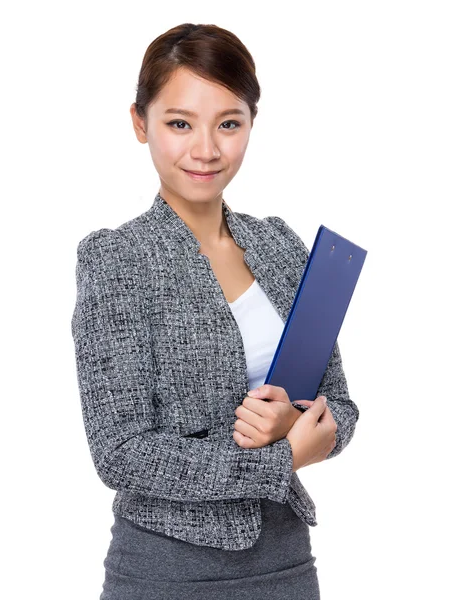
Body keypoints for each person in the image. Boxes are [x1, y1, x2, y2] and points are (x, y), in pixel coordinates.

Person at [71, 22, 359, 600]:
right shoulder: (116, 259)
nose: (206, 149)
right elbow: (120, 452)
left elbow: (342, 409)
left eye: (229, 124)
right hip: (165, 574)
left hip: (287, 568)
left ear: (252, 124)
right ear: (139, 123)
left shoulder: (281, 244)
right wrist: (278, 462)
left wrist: (299, 426)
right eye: (180, 123)